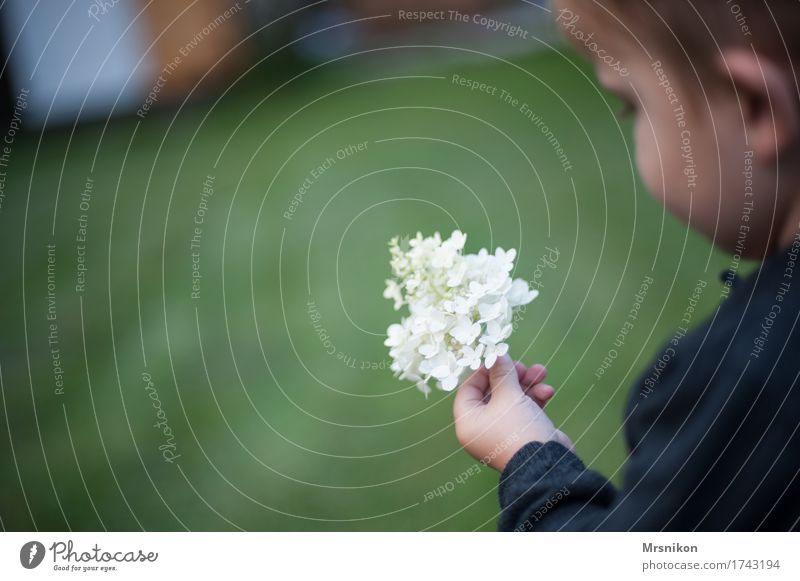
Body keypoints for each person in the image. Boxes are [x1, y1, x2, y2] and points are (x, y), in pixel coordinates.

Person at [453, 0, 800, 531]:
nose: (632, 123)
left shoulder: (738, 385)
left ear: (753, 106)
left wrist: (529, 457)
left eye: (631, 106)